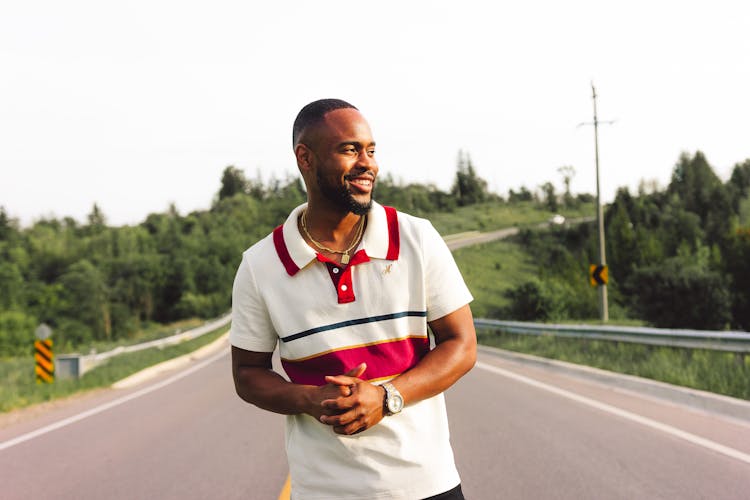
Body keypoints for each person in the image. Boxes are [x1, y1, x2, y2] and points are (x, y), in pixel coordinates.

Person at [230, 98, 477, 500]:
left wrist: (387, 397)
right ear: (305, 158)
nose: (368, 163)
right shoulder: (261, 266)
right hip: (323, 491)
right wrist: (309, 399)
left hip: (427, 485)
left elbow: (462, 345)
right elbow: (247, 374)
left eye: (371, 150)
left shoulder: (417, 238)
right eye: (350, 149)